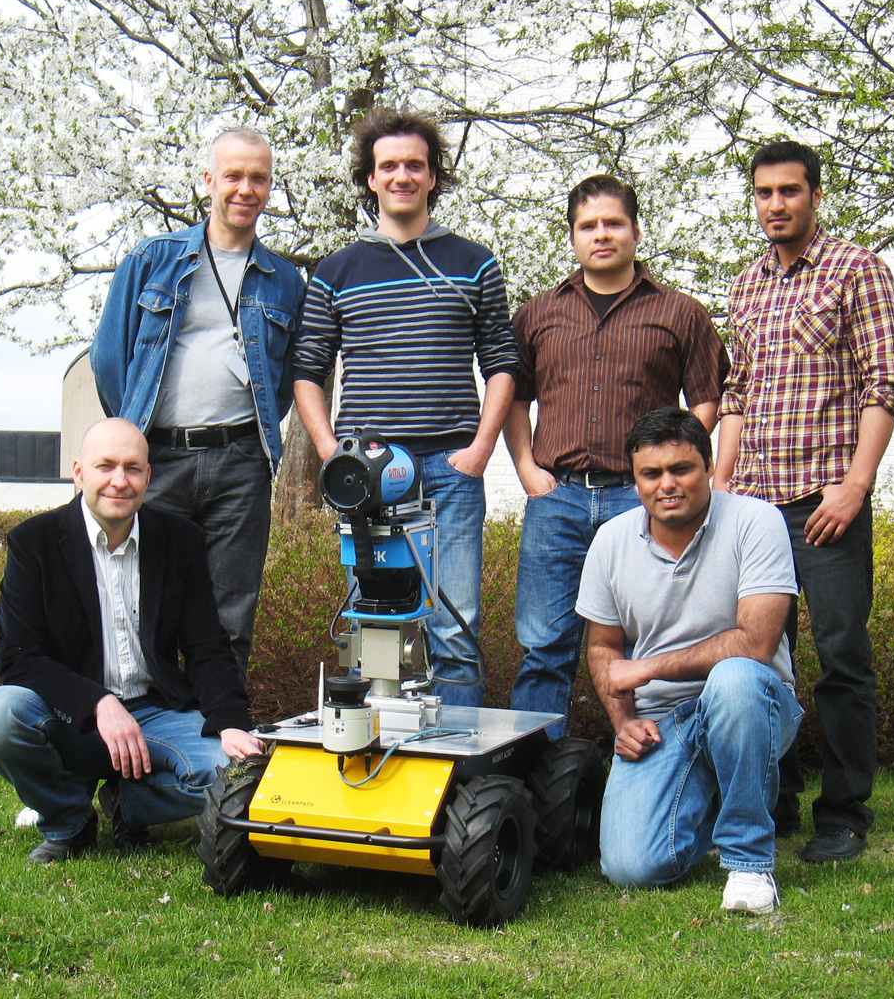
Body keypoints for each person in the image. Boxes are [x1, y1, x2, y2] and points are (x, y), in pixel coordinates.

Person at [712, 140, 894, 864]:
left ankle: (845, 813)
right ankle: (777, 796)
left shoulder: (858, 271)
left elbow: (884, 386)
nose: (776, 205)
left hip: (827, 504)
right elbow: (738, 393)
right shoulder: (746, 287)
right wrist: (721, 481)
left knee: (841, 656)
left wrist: (854, 486)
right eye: (764, 193)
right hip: (757, 508)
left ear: (815, 196)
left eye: (789, 191)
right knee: (763, 659)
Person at [293, 109, 517, 708]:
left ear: (433, 176)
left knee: (456, 629)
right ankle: (377, 763)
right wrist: (328, 452)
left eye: (414, 165)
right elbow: (307, 371)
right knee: (376, 624)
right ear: (370, 177)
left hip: (452, 468)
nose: (401, 176)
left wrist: (479, 451)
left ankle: (457, 776)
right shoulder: (336, 272)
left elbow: (501, 364)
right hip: (370, 478)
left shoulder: (475, 262)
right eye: (388, 165)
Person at [0, 418, 263, 864]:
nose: (119, 481)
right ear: (79, 473)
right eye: (105, 467)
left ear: (148, 476)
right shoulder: (34, 542)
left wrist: (229, 723)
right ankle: (69, 820)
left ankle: (127, 805)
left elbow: (207, 646)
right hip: (71, 717)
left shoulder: (180, 540)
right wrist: (98, 704)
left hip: (155, 713)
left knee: (236, 772)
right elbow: (17, 655)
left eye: (132, 468)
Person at [506, 174, 728, 738]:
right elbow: (515, 397)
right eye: (588, 226)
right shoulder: (538, 315)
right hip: (557, 499)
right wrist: (528, 470)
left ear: (635, 230)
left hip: (643, 504)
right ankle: (539, 782)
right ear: (573, 237)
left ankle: (651, 762)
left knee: (649, 641)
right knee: (543, 645)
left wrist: (662, 473)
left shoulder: (681, 314)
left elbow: (707, 402)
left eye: (613, 223)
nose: (601, 235)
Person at [90, 128, 304, 673]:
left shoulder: (284, 280)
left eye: (258, 178)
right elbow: (109, 359)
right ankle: (147, 732)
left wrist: (247, 431)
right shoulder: (152, 260)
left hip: (241, 464)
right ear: (207, 181)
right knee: (148, 607)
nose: (245, 189)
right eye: (233, 175)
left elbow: (283, 381)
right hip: (157, 461)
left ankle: (222, 737)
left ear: (270, 186)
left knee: (231, 614)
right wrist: (133, 432)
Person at [578, 408, 801, 913]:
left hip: (755, 705)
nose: (667, 485)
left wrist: (649, 667)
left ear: (707, 467)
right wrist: (624, 720)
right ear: (634, 480)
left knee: (736, 679)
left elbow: (757, 644)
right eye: (651, 474)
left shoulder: (755, 521)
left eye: (682, 469)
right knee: (632, 867)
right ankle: (717, 800)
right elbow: (604, 648)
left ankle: (748, 865)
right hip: (663, 721)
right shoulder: (611, 541)